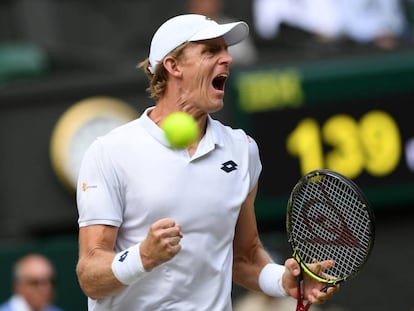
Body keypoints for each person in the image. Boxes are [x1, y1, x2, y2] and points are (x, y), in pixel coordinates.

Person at [75, 14, 338, 310]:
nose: (227, 59)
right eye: (211, 51)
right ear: (173, 66)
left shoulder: (242, 150)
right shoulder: (109, 152)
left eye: (225, 50)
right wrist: (143, 257)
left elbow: (245, 257)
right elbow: (90, 277)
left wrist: (283, 281)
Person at [187, 0, 258, 66]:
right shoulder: (182, 31)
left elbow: (246, 56)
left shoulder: (232, 27)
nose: (209, 4)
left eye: (225, 48)